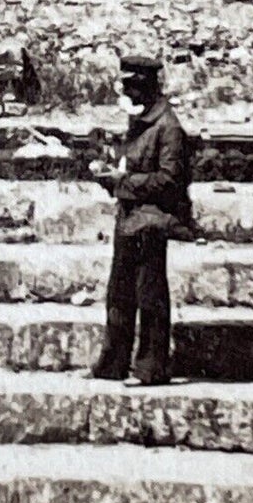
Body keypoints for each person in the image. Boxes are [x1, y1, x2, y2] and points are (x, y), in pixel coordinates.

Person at [88, 55, 194, 387]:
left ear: (146, 86)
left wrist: (122, 182)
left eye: (132, 88)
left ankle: (151, 368)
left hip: (153, 222)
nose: (127, 95)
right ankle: (113, 364)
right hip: (130, 217)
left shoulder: (169, 128)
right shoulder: (142, 120)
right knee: (119, 294)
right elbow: (133, 161)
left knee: (149, 296)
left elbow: (169, 180)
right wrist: (109, 170)